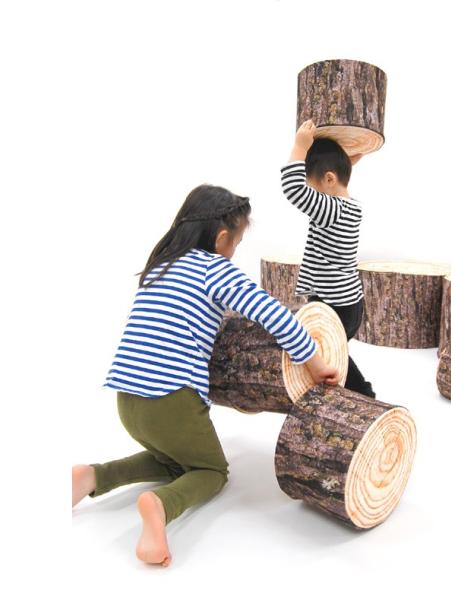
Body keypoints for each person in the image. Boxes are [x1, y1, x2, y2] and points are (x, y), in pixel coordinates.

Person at [72, 184, 339, 567]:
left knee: (173, 461)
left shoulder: (161, 265)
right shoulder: (214, 268)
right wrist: (313, 360)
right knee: (211, 471)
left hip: (127, 399)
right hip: (171, 400)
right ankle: (161, 505)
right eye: (237, 243)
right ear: (221, 238)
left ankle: (93, 477)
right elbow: (271, 312)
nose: (235, 251)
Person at [281, 119, 376, 398]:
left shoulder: (330, 209)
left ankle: (362, 393)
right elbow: (329, 179)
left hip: (333, 303)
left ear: (330, 180)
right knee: (334, 349)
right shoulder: (350, 206)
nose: (310, 194)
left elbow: (292, 188)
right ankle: (353, 390)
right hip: (350, 301)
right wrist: (346, 161)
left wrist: (300, 147)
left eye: (312, 186)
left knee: (326, 351)